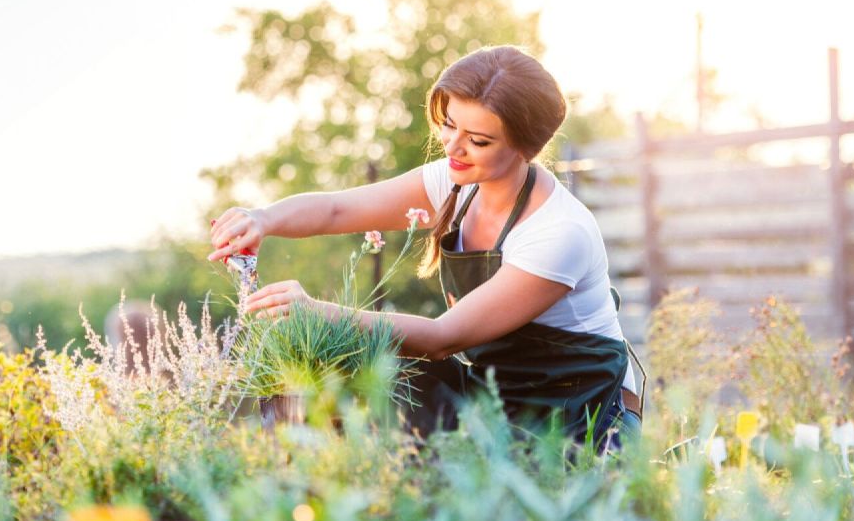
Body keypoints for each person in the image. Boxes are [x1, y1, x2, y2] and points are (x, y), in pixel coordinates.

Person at [208, 45, 643, 447]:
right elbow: (336, 210)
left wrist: (320, 312)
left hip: (576, 416)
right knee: (352, 368)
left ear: (525, 148)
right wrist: (263, 218)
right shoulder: (456, 182)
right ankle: (308, 485)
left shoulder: (559, 232)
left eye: (478, 140)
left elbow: (440, 339)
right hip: (494, 391)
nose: (453, 146)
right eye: (449, 124)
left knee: (390, 371)